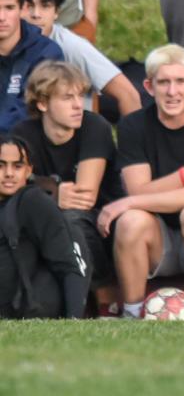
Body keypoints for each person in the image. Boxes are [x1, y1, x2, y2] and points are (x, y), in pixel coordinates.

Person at [96, 44, 184, 320]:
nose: (173, 92)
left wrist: (130, 201)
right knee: (130, 220)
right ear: (149, 87)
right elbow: (138, 188)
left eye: (181, 81)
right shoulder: (133, 126)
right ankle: (133, 315)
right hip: (157, 241)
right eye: (164, 82)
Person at [14, 62, 122, 316]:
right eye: (67, 97)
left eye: (80, 96)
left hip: (102, 218)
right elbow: (10, 186)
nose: (78, 105)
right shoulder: (23, 134)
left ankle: (105, 297)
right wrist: (53, 192)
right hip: (49, 218)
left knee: (71, 219)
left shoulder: (95, 126)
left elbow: (85, 197)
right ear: (42, 103)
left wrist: (42, 191)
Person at [22, 0, 141, 118]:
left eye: (45, 6)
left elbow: (128, 94)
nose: (36, 14)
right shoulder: (9, 43)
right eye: (29, 6)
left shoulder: (72, 46)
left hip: (74, 135)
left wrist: (134, 140)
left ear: (56, 12)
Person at [0, 135, 88, 319]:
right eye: (1, 165)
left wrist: (74, 321)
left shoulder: (32, 201)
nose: (8, 173)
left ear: (28, 170)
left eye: (17, 166)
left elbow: (69, 264)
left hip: (23, 310)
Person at [0, 0, 63, 133]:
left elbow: (30, 112)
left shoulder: (47, 53)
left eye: (9, 7)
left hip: (24, 150)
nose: (1, 17)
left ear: (23, 9)